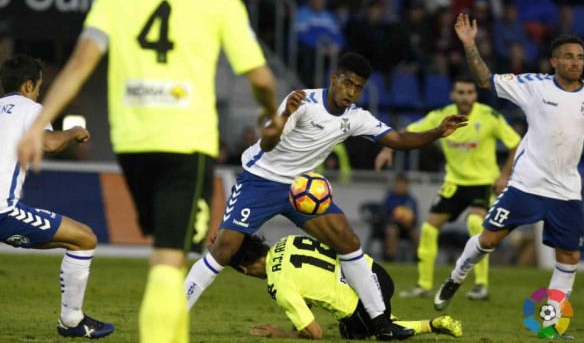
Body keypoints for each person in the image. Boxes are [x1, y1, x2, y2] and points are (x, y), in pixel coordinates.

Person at [16, 0, 278, 342]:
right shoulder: (219, 2)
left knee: (163, 250)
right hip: (186, 143)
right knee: (168, 261)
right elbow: (261, 79)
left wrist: (40, 125)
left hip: (132, 145)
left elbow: (80, 63)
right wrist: (270, 113)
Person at [183, 52, 468, 341]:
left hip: (301, 191)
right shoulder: (303, 102)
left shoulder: (355, 117)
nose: (351, 92)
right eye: (347, 83)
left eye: (358, 88)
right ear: (333, 79)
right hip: (260, 180)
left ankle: (382, 324)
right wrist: (282, 118)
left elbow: (399, 140)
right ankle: (175, 316)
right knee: (224, 250)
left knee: (349, 242)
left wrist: (437, 132)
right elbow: (268, 144)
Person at [434, 14, 584, 340]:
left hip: (566, 190)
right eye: (568, 56)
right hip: (526, 184)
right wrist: (469, 44)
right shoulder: (533, 87)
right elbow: (485, 80)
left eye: (580, 57)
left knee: (569, 256)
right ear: (554, 61)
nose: (575, 62)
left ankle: (550, 325)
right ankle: (457, 274)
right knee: (489, 240)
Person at [376, 76, 521, 300]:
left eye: (469, 92)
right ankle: (423, 286)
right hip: (454, 183)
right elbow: (408, 131)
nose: (465, 97)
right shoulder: (441, 116)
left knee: (475, 224)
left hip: (483, 183)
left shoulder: (489, 116)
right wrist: (388, 149)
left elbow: (516, 143)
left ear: (475, 95)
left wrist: (503, 176)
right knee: (428, 229)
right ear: (453, 95)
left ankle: (480, 285)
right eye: (460, 93)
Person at [0, 54, 113, 338]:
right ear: (28, 86)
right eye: (38, 86)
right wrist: (74, 131)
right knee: (84, 239)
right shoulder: (31, 108)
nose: (39, 92)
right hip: (3, 211)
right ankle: (72, 320)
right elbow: (49, 143)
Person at [229, 234, 463, 340]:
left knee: (352, 332)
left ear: (244, 269)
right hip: (375, 274)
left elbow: (315, 333)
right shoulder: (287, 240)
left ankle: (430, 325)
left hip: (358, 309)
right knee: (380, 317)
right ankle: (417, 323)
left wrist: (284, 333)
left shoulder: (277, 284)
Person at [381, 174, 419, 261]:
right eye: (398, 184)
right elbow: (384, 215)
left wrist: (410, 223)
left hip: (407, 227)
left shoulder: (411, 200)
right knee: (392, 231)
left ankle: (416, 258)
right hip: (393, 225)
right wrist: (395, 220)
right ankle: (390, 257)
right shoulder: (389, 198)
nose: (400, 186)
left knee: (416, 233)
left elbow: (415, 216)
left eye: (403, 184)